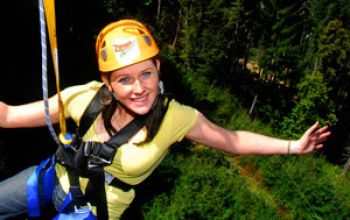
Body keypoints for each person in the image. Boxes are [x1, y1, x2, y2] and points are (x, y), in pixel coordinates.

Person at [0, 19, 331, 219]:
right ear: (108, 83)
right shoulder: (83, 98)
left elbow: (233, 140)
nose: (139, 88)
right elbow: (9, 115)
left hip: (97, 211)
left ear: (158, 68)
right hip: (51, 180)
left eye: (146, 73)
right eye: (125, 79)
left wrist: (293, 146)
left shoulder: (176, 117)